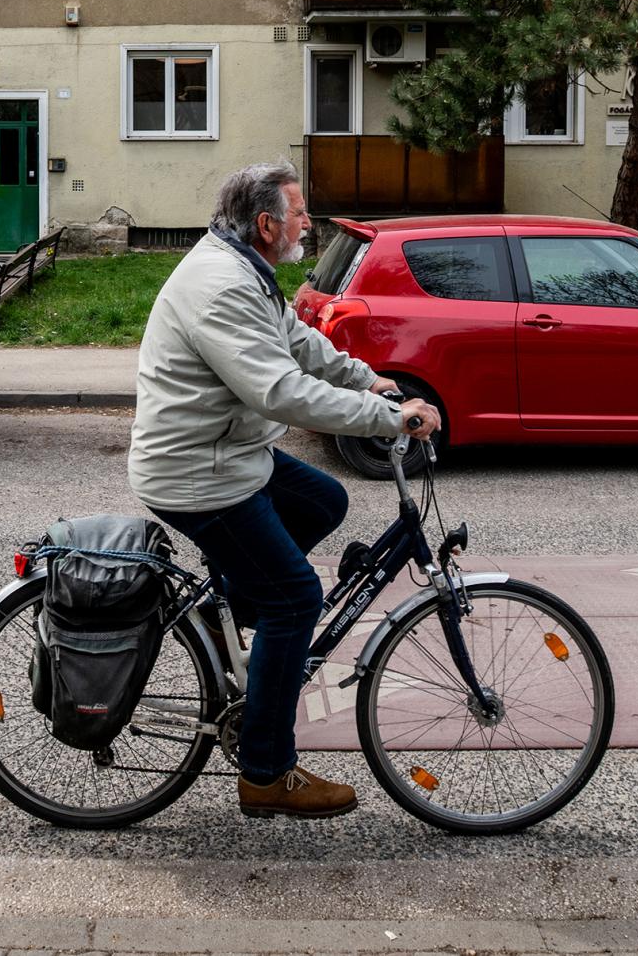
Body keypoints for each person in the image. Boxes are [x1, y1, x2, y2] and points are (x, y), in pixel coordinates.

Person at [127, 161, 441, 820]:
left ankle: (246, 609)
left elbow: (297, 343)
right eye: (300, 214)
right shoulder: (222, 285)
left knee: (325, 501)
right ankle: (267, 772)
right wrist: (388, 418)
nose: (308, 224)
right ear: (268, 223)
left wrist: (369, 381)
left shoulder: (243, 266)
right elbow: (280, 390)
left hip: (231, 454)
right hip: (198, 473)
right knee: (296, 598)